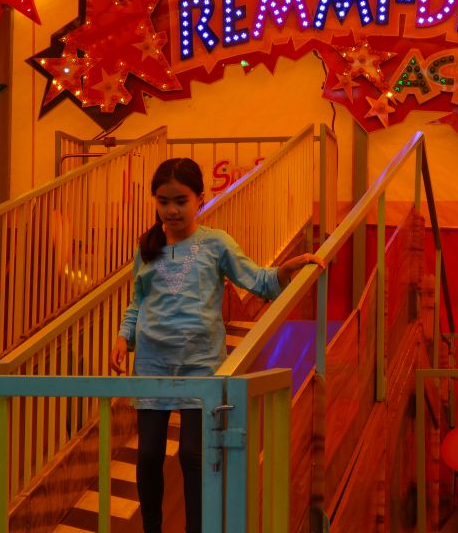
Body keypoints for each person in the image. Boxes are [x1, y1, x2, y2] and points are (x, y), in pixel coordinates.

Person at [108, 157, 324, 533]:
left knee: (194, 454)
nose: (171, 210)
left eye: (181, 200)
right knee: (149, 455)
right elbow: (137, 301)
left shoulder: (215, 243)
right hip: (152, 364)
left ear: (200, 199)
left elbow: (256, 280)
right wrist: (123, 336)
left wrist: (284, 271)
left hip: (201, 366)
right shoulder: (146, 247)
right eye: (163, 201)